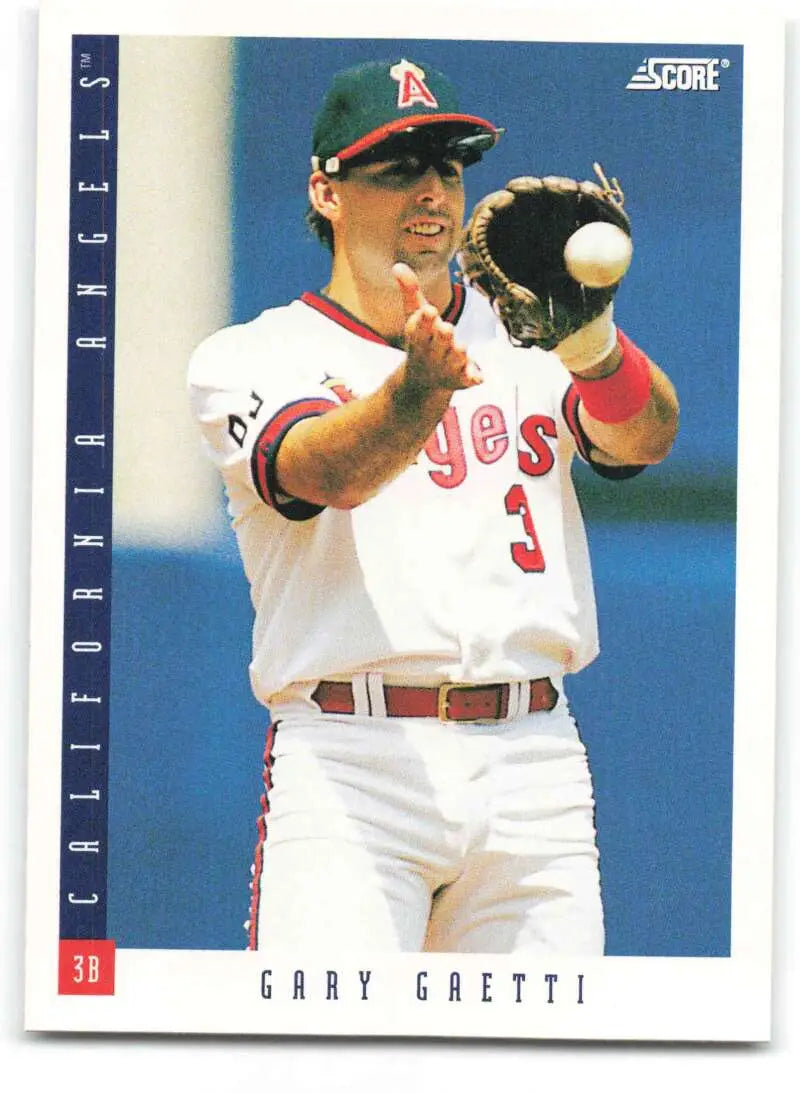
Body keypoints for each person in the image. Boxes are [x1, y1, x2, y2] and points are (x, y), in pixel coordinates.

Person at [188, 58, 679, 954]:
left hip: (535, 762)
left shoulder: (528, 322)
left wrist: (595, 343)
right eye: (396, 167)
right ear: (325, 191)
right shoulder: (253, 354)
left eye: (448, 165)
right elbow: (322, 471)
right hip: (351, 766)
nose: (431, 191)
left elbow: (642, 439)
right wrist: (417, 388)